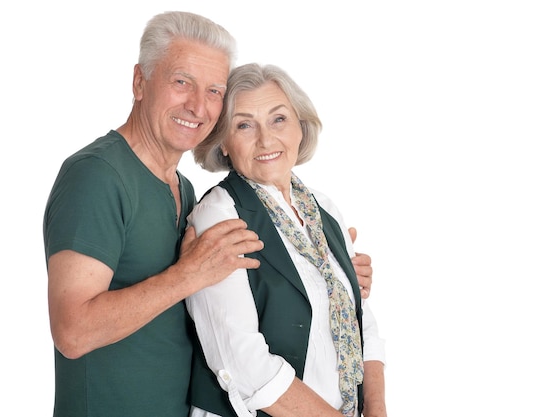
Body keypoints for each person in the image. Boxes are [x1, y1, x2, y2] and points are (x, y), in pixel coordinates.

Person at [43, 11, 374, 417]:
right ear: (140, 82)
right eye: (181, 81)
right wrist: (188, 274)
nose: (198, 105)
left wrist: (328, 279)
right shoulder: (96, 176)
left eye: (214, 90)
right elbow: (72, 332)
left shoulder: (180, 188)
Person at [186, 63, 387, 417]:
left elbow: (361, 321)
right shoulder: (219, 216)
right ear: (224, 143)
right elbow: (243, 363)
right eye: (244, 125)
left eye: (279, 119)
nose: (266, 139)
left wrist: (377, 408)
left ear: (300, 128)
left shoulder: (322, 208)